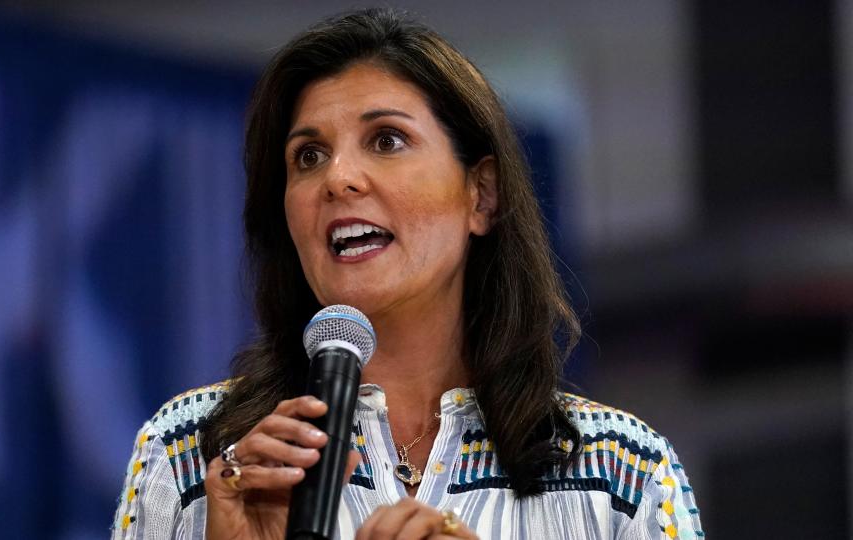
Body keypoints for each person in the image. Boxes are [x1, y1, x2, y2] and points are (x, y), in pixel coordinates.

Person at [112, 8, 703, 540]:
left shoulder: (625, 477)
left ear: (482, 195)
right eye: (308, 156)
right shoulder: (194, 456)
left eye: (387, 139)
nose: (338, 178)